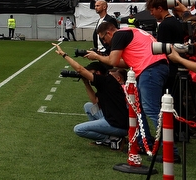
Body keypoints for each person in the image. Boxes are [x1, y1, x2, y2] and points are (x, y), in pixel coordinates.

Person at [89, 21, 170, 153]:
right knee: (138, 109)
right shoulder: (130, 32)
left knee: (151, 110)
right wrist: (103, 57)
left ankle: (170, 150)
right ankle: (145, 144)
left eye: (104, 38)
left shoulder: (119, 35)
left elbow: (113, 61)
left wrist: (97, 56)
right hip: (154, 67)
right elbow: (126, 62)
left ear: (109, 33)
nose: (105, 42)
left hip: (149, 69)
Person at [54, 42, 128, 147]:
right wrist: (86, 83)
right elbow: (95, 101)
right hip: (112, 118)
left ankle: (110, 139)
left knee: (78, 129)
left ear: (97, 73)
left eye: (90, 73)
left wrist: (64, 55)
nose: (88, 75)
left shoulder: (105, 81)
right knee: (88, 106)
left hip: (118, 125)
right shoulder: (105, 82)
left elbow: (80, 69)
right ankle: (109, 136)